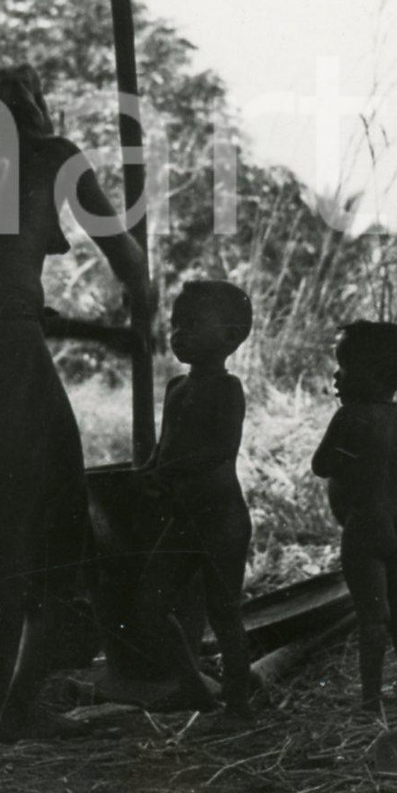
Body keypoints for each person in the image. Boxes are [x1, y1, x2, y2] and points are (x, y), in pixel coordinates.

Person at [0, 64, 149, 742]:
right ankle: (18, 710)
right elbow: (127, 261)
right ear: (31, 106)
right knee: (53, 512)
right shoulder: (56, 156)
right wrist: (147, 316)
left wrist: (103, 335)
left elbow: (2, 298)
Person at [137, 279, 255, 717]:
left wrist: (166, 472)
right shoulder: (175, 388)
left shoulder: (227, 389)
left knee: (224, 613)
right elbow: (166, 444)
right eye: (175, 324)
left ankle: (238, 705)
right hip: (185, 518)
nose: (178, 334)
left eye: (191, 324)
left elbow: (221, 450)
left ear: (231, 336)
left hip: (222, 519)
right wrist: (151, 468)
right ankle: (193, 687)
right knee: (150, 603)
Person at [311, 320, 397, 714]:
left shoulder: (349, 418)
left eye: (343, 367)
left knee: (373, 618)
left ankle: (371, 700)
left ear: (369, 374)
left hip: (366, 528)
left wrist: (352, 460)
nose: (336, 376)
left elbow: (321, 465)